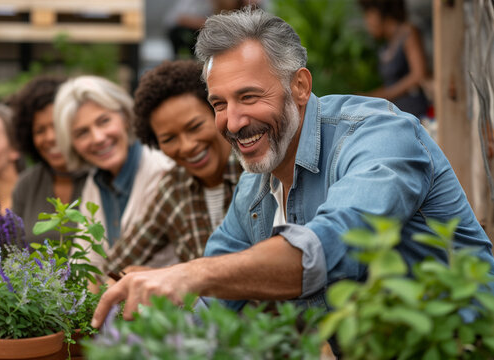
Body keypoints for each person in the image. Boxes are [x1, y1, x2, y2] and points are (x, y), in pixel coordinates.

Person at [92, 7, 494, 328]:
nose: (232, 122)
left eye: (249, 96)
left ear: (299, 86)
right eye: (219, 104)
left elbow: (330, 244)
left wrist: (192, 273)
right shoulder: (255, 187)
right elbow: (210, 310)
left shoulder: (379, 134)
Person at [103, 59, 243, 276]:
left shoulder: (256, 172)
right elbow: (116, 266)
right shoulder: (174, 188)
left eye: (195, 127)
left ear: (218, 112)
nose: (187, 147)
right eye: (169, 139)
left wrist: (171, 275)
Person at [53, 75, 174, 276]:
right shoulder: (96, 181)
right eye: (82, 133)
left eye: (104, 121)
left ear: (125, 117)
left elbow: (147, 267)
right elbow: (83, 262)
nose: (98, 138)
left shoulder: (161, 171)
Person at [9, 75, 88, 244]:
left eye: (57, 126)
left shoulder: (101, 176)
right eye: (39, 130)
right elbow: (14, 251)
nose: (50, 137)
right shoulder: (26, 185)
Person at [359, 0, 430, 119]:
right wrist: (369, 97)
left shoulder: (408, 33)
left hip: (415, 114)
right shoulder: (386, 45)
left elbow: (418, 75)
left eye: (368, 15)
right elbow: (391, 83)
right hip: (397, 113)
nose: (366, 23)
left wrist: (382, 95)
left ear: (377, 13)